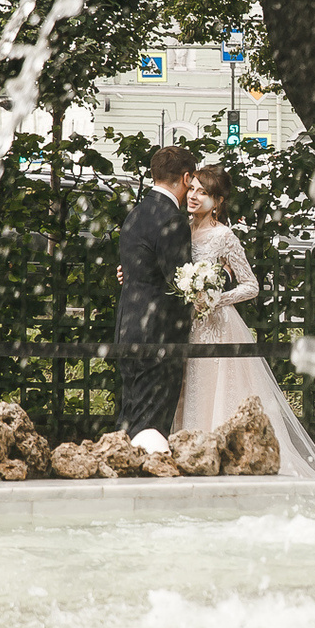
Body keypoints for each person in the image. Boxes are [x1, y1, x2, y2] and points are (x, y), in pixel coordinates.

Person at [176, 165, 315, 483]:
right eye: (193, 188)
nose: (195, 196)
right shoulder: (180, 229)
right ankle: (191, 455)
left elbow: (250, 286)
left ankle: (224, 457)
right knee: (189, 389)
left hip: (217, 326)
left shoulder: (224, 236)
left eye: (204, 192)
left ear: (218, 201)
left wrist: (216, 298)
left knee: (218, 391)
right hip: (187, 326)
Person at [115, 145, 195, 446]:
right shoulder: (172, 219)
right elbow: (180, 280)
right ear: (186, 178)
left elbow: (138, 268)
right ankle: (146, 480)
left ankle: (125, 473)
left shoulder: (136, 213)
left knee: (132, 412)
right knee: (153, 422)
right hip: (159, 332)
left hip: (129, 324)